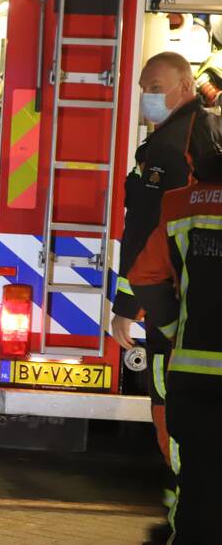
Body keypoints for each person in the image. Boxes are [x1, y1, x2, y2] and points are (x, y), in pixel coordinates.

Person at [108, 52, 222, 507]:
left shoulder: (168, 147)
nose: (147, 97)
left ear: (185, 87)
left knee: (171, 417)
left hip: (175, 310)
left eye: (155, 88)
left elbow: (144, 233)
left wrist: (128, 306)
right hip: (200, 302)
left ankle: (183, 508)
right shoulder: (206, 131)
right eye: (143, 89)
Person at [129, 163, 222, 544]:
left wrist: (174, 333)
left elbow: (144, 276)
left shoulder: (182, 204)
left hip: (191, 378)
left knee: (197, 487)